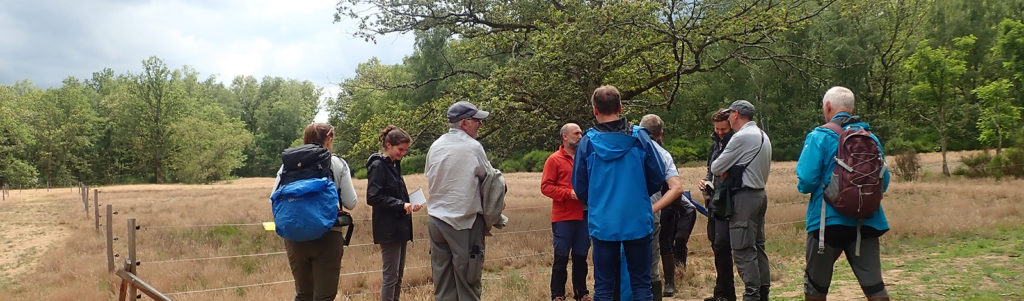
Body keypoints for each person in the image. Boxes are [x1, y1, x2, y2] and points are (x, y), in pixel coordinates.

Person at [796, 87, 891, 301]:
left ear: (828, 107)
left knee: (815, 288)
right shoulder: (870, 138)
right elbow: (884, 180)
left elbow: (807, 180)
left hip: (827, 224)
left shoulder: (819, 136)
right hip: (866, 222)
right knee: (875, 288)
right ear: (852, 108)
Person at [571, 85, 665, 301]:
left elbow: (579, 185)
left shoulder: (587, 143)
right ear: (621, 107)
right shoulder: (641, 138)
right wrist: (638, 197)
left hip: (603, 221)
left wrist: (598, 201)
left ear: (595, 110)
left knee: (603, 287)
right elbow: (657, 177)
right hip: (637, 219)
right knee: (642, 285)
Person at [272, 123, 358, 301]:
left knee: (303, 295)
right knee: (324, 297)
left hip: (294, 237)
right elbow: (351, 203)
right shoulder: (337, 163)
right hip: (327, 234)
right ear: (329, 139)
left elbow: (274, 197)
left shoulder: (287, 165)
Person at [425, 101, 492, 301]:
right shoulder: (473, 147)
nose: (480, 125)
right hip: (464, 222)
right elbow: (489, 179)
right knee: (468, 283)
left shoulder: (435, 145)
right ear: (464, 123)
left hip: (436, 221)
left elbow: (430, 175)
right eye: (477, 121)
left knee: (443, 285)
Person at [710, 100, 772, 301]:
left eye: (729, 114)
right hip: (760, 195)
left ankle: (751, 295)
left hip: (744, 198)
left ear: (736, 114)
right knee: (758, 247)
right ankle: (763, 293)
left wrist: (730, 169)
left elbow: (716, 167)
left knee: (743, 250)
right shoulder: (762, 135)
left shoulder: (742, 137)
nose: (728, 117)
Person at [638, 114, 695, 299]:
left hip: (667, 206)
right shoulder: (660, 153)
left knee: (664, 244)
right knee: (655, 255)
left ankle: (669, 283)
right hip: (657, 207)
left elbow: (675, 188)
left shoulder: (660, 153)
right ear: (660, 133)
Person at [366, 125, 422, 301]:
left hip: (401, 226)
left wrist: (410, 203)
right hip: (388, 228)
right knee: (390, 276)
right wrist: (400, 204)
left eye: (405, 150)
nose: (403, 153)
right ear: (388, 145)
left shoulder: (394, 164)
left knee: (398, 275)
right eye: (400, 149)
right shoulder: (377, 166)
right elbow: (373, 197)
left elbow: (395, 192)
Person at [542, 123, 592, 301]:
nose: (580, 136)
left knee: (581, 256)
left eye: (581, 133)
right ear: (565, 136)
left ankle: (582, 292)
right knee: (561, 257)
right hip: (563, 216)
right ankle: (558, 294)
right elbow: (546, 187)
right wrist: (568, 194)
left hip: (585, 215)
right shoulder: (554, 159)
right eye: (576, 133)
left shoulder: (586, 157)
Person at [699, 109, 737, 301]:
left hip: (728, 203)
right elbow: (710, 170)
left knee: (722, 247)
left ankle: (726, 294)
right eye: (717, 129)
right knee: (716, 245)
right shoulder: (715, 145)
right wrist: (706, 183)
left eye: (723, 128)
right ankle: (722, 292)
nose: (720, 132)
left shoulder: (735, 143)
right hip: (714, 201)